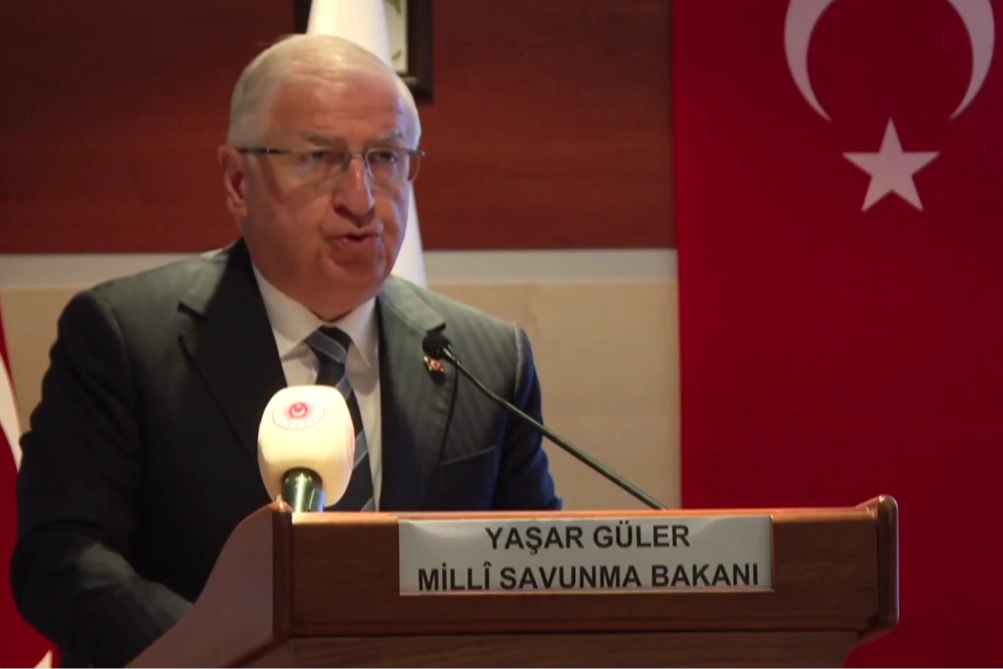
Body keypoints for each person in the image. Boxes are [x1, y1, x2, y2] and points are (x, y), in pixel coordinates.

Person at [10, 34, 561, 669]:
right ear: (237, 181)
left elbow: (538, 573)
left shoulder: (487, 360)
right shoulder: (123, 339)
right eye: (319, 158)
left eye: (385, 158)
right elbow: (63, 558)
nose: (361, 198)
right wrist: (232, 658)